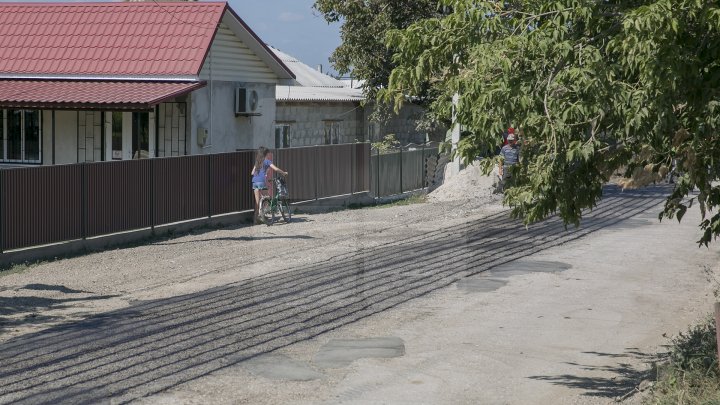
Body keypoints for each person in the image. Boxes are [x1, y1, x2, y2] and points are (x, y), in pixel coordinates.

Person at [251, 146, 287, 223]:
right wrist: (283, 173)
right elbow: (276, 169)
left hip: (254, 182)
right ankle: (263, 214)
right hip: (261, 181)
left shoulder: (257, 162)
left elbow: (252, 172)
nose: (268, 154)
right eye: (267, 153)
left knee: (257, 201)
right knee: (268, 199)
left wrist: (262, 172)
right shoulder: (267, 161)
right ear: (265, 154)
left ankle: (255, 220)